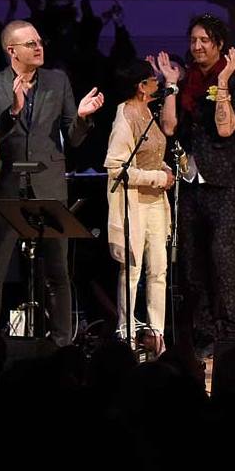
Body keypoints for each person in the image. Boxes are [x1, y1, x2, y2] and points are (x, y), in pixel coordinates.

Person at [0, 20, 104, 345]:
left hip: (48, 184)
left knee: (57, 273)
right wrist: (15, 111)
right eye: (30, 43)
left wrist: (83, 117)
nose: (38, 47)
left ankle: (62, 345)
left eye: (39, 41)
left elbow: (73, 139)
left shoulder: (57, 81)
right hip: (6, 185)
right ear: (12, 51)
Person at [154, 14, 235, 359]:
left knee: (224, 260)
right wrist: (170, 85)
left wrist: (223, 81)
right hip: (187, 182)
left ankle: (232, 331)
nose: (197, 47)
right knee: (191, 262)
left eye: (205, 41)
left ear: (220, 45)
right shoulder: (184, 83)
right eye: (194, 40)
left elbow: (226, 130)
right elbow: (169, 128)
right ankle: (203, 330)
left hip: (222, 182)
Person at [104, 59, 174, 348]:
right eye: (153, 80)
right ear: (142, 86)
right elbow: (117, 167)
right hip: (134, 202)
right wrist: (158, 177)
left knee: (158, 269)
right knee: (132, 268)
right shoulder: (126, 115)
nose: (158, 85)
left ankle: (156, 332)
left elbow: (153, 152)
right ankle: (127, 331)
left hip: (157, 202)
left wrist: (166, 169)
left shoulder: (149, 111)